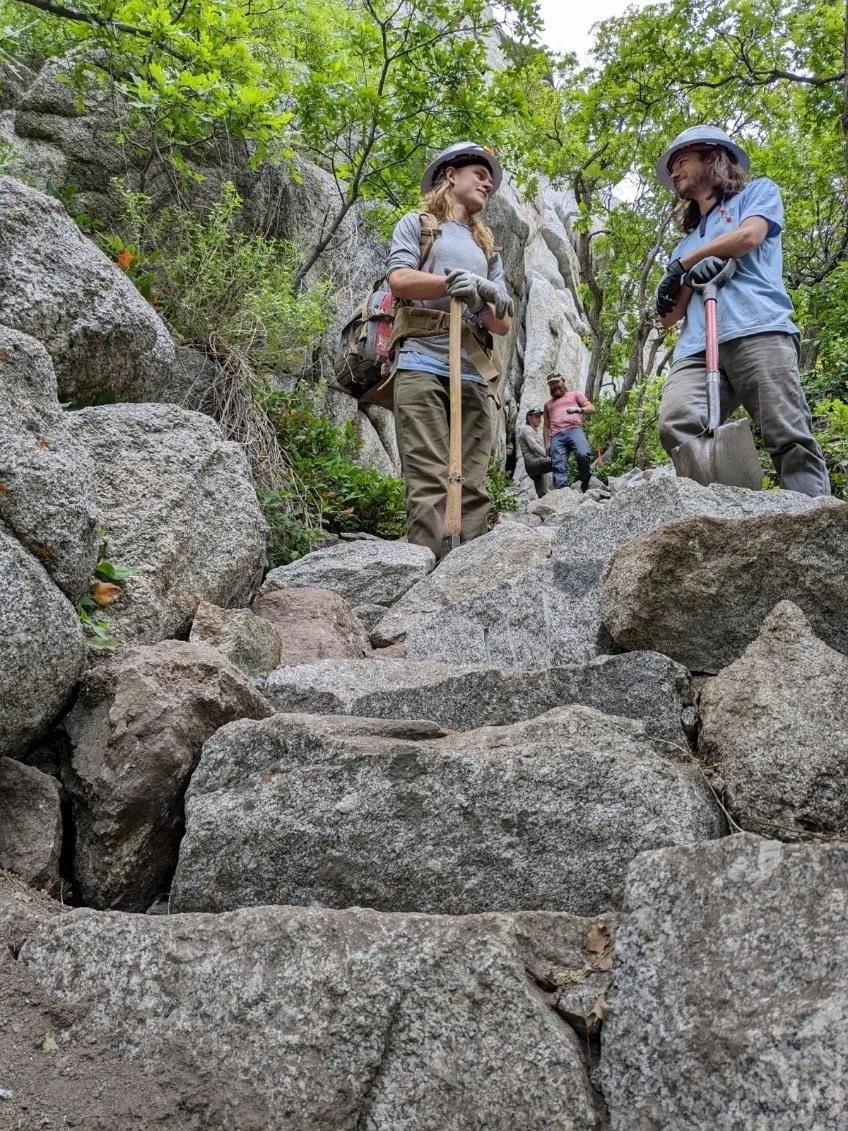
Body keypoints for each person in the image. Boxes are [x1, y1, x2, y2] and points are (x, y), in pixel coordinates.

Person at [654, 125, 830, 497]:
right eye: (671, 167)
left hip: (757, 327)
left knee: (786, 434)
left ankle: (814, 524)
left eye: (680, 161)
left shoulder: (757, 194)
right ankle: (724, 510)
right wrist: (674, 284)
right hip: (698, 348)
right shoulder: (686, 241)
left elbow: (749, 237)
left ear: (712, 157)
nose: (673, 173)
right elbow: (671, 318)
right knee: (677, 422)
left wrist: (689, 261)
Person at [386, 142, 513, 557]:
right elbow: (400, 279)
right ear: (449, 175)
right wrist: (448, 284)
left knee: (472, 481)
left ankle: (466, 578)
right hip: (421, 362)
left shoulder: (488, 248)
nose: (487, 181)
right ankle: (424, 578)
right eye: (478, 172)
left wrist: (480, 299)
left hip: (473, 371)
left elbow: (503, 321)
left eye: (489, 177)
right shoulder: (418, 224)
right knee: (429, 478)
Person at [543, 374, 596, 491]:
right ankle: (561, 492)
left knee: (583, 454)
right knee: (558, 464)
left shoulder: (575, 394)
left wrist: (579, 409)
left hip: (574, 429)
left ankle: (585, 482)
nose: (555, 385)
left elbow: (592, 408)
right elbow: (546, 426)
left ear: (563, 381)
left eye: (557, 382)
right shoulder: (548, 404)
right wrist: (547, 446)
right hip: (556, 435)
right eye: (552, 384)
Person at [518, 406, 552, 497]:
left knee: (543, 493)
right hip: (533, 464)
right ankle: (562, 488)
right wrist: (548, 455)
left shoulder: (535, 431)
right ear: (529, 418)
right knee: (557, 461)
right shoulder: (527, 430)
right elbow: (534, 447)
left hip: (538, 464)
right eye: (536, 416)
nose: (540, 419)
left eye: (540, 416)